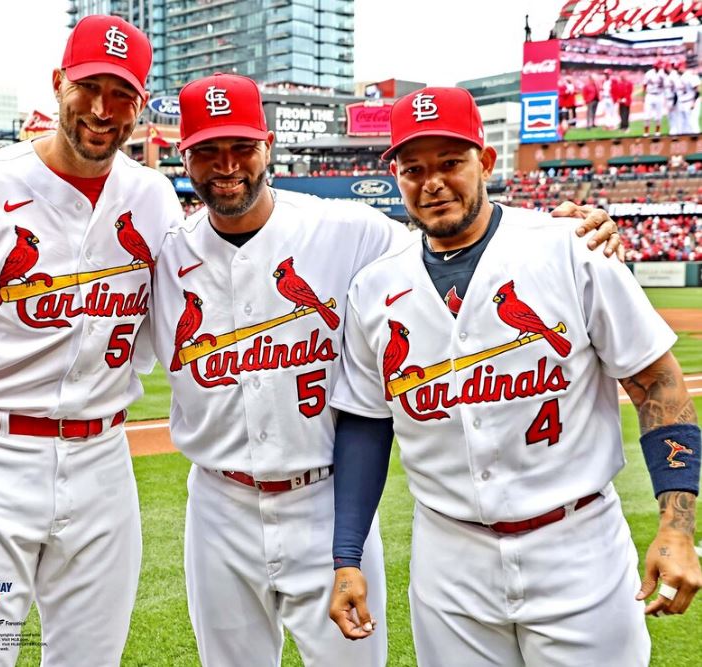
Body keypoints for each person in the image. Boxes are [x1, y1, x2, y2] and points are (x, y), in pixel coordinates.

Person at [148, 74, 621, 666]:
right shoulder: (162, 257)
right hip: (216, 504)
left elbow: (457, 235)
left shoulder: (351, 230)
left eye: (241, 147)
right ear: (181, 155)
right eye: (206, 151)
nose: (226, 165)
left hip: (324, 496)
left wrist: (570, 231)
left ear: (267, 145)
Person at [327, 87, 702, 666]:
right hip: (448, 560)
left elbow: (657, 384)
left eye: (450, 163)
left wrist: (677, 527)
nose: (432, 183)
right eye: (413, 169)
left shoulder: (569, 247)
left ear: (486, 160)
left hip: (577, 548)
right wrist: (346, 555)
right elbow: (367, 427)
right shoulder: (374, 288)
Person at [0, 15, 183, 666]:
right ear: (58, 84)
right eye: (89, 87)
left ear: (140, 107)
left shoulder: (155, 199)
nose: (103, 109)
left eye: (122, 95)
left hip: (103, 464)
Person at [643, 60, 666, 136]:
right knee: (647, 115)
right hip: (650, 95)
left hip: (659, 95)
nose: (659, 67)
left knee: (659, 115)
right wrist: (644, 95)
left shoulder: (663, 74)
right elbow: (644, 85)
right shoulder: (649, 73)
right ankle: (646, 133)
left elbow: (666, 85)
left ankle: (657, 132)